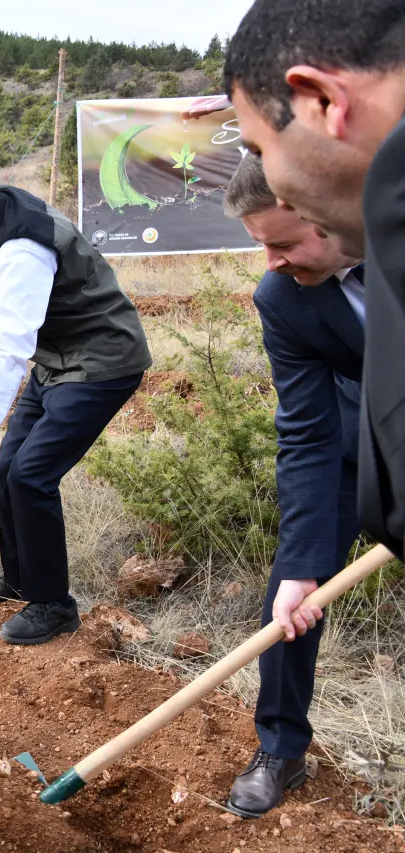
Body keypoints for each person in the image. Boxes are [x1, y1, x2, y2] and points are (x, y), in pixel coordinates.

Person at [0, 138, 151, 645]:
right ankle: (21, 577)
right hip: (56, 357)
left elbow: (10, 353)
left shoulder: (20, 245)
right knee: (7, 471)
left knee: (30, 475)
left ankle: (53, 604)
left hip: (101, 358)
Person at [224, 0, 405, 556]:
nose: (278, 193)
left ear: (322, 101)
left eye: (259, 147)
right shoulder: (284, 300)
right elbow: (306, 433)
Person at [221, 155, 365, 818]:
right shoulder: (282, 297)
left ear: (334, 215)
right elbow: (304, 433)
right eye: (262, 246)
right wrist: (303, 567)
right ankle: (282, 747)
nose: (273, 261)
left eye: (283, 242)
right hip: (347, 443)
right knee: (290, 594)